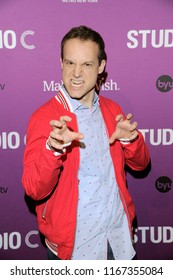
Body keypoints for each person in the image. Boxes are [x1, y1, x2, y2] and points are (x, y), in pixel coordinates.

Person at [22, 25, 150, 260]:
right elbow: (34, 189)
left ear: (101, 67)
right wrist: (52, 149)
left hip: (119, 239)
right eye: (70, 63)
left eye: (87, 64)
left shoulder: (113, 110)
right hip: (75, 249)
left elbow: (141, 165)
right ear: (61, 62)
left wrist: (131, 140)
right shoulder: (45, 117)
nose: (76, 73)